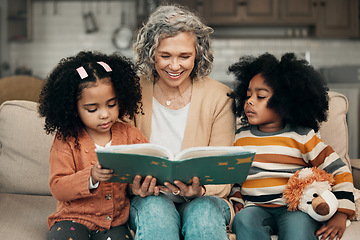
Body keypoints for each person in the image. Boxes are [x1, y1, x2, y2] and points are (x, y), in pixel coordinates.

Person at [129, 4, 236, 240]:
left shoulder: (220, 97)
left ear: (198, 54)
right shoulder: (133, 91)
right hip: (150, 200)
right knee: (157, 211)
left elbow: (225, 176)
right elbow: (120, 159)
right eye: (165, 55)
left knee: (203, 214)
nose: (175, 66)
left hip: (204, 200)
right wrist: (132, 186)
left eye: (184, 56)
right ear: (151, 53)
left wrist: (201, 190)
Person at [228, 52, 355, 240]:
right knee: (242, 221)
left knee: (298, 231)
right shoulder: (240, 138)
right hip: (255, 209)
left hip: (295, 209)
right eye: (248, 95)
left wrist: (341, 214)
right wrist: (236, 197)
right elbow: (234, 176)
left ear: (285, 102)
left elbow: (339, 171)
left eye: (261, 96)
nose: (250, 101)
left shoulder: (302, 137)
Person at [38, 51, 148, 240]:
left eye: (111, 105)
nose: (104, 114)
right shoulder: (66, 139)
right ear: (74, 109)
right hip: (72, 220)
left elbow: (144, 170)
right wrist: (91, 177)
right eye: (92, 109)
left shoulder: (131, 135)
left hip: (114, 223)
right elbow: (58, 188)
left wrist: (140, 185)